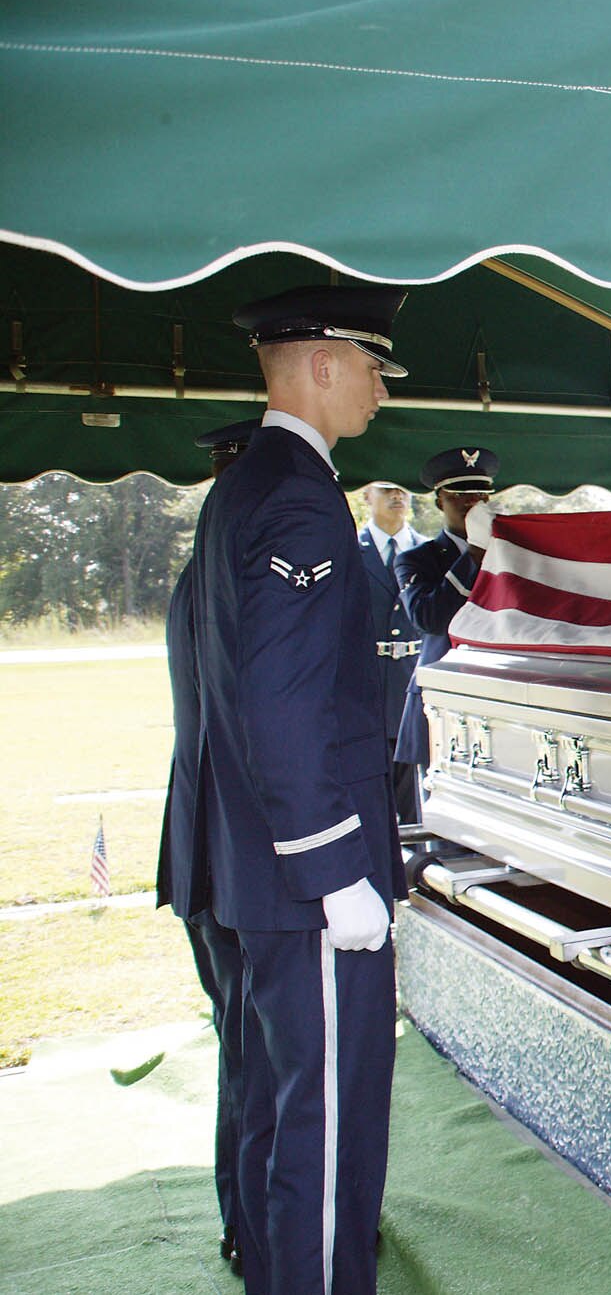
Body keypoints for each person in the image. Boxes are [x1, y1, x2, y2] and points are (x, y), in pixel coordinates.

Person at [188, 284, 411, 1295]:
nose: (379, 387)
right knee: (325, 1124)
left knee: (280, 1105)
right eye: (371, 364)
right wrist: (334, 870)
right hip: (304, 878)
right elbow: (282, 705)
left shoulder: (246, 485)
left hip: (252, 865)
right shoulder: (299, 497)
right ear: (321, 364)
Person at [158, 416, 261, 1277]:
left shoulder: (200, 574)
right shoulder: (230, 577)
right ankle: (252, 1217)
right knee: (256, 1049)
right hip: (237, 854)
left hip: (206, 845)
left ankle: (245, 1209)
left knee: (244, 1041)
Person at [392, 447, 497, 782]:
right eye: (460, 494)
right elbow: (428, 617)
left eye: (480, 494)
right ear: (439, 500)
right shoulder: (416, 559)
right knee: (445, 823)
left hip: (496, 697)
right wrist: (472, 559)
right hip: (440, 702)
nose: (472, 502)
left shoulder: (508, 553)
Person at [356, 482, 422, 824]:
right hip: (365, 689)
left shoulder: (428, 552)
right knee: (368, 799)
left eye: (402, 490)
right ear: (367, 496)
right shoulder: (350, 551)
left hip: (414, 684)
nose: (398, 496)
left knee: (415, 800)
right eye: (386, 490)